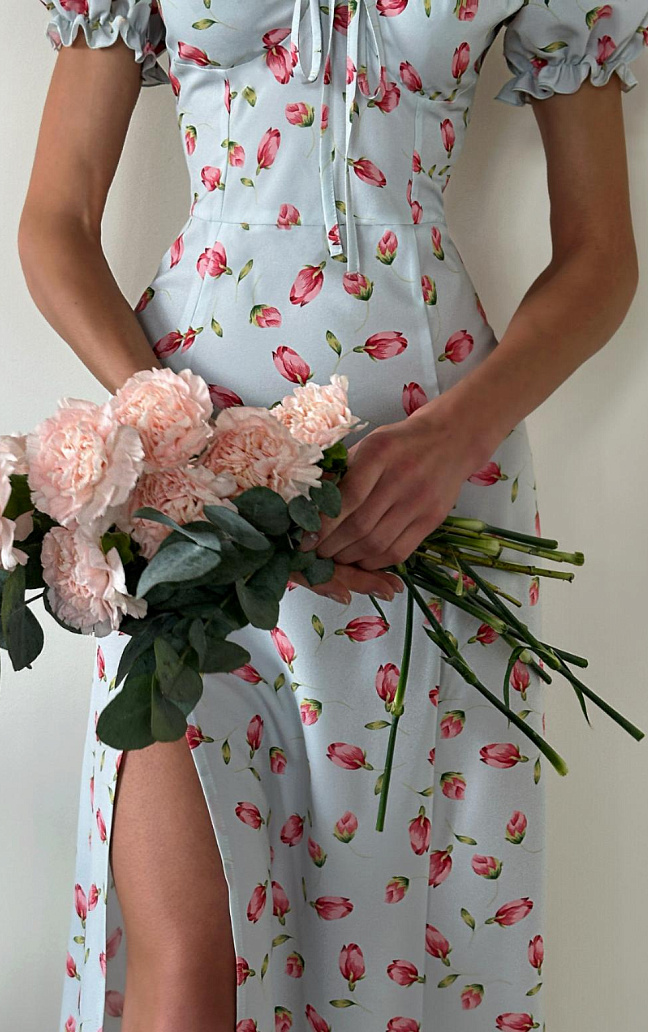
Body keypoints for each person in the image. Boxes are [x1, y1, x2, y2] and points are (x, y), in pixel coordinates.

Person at [18, 2, 645, 1031]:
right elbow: (54, 223)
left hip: (422, 504)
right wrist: (178, 442)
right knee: (187, 960)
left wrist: (458, 438)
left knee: (384, 919)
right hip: (186, 505)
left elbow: (600, 255)